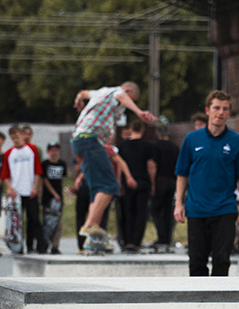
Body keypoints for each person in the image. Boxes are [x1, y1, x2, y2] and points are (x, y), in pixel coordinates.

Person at [174, 90, 239, 276]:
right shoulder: (192, 139)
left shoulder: (237, 141)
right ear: (208, 110)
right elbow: (182, 173)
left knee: (222, 260)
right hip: (196, 209)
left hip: (225, 209)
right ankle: (198, 302)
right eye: (216, 108)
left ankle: (219, 301)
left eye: (225, 109)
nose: (220, 112)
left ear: (229, 113)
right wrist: (179, 203)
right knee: (196, 261)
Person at [71, 81, 157, 241]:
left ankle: (92, 238)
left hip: (80, 141)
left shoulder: (99, 92)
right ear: (128, 90)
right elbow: (121, 96)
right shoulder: (116, 92)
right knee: (110, 186)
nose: (125, 106)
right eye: (133, 99)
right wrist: (138, 111)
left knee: (97, 190)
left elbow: (83, 93)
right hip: (90, 140)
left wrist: (78, 101)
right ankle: (90, 225)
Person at [0, 124, 46, 254]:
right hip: (16, 193)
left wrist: (35, 187)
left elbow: (37, 170)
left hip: (29, 190)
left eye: (17, 137)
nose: (16, 140)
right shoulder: (9, 153)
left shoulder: (31, 149)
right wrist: (10, 189)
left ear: (22, 136)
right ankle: (19, 246)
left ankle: (38, 246)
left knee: (34, 219)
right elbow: (5, 175)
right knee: (17, 222)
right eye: (13, 138)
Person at [117, 121, 155, 252]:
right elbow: (151, 165)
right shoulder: (148, 145)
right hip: (142, 181)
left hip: (127, 183)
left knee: (127, 212)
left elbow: (120, 166)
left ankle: (126, 240)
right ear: (143, 130)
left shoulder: (123, 145)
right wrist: (153, 183)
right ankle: (135, 241)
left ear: (131, 128)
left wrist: (120, 181)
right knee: (141, 213)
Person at [150, 120, 180, 250]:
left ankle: (161, 237)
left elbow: (153, 166)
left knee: (155, 210)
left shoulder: (154, 146)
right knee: (168, 210)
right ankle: (168, 238)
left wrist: (152, 183)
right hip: (172, 181)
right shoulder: (175, 147)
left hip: (159, 180)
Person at [41, 141, 67, 254]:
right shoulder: (45, 164)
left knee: (58, 223)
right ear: (48, 152)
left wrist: (61, 195)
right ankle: (44, 243)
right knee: (47, 222)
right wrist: (54, 194)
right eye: (51, 150)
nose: (54, 152)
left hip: (58, 199)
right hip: (47, 198)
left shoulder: (62, 163)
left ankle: (55, 246)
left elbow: (63, 180)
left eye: (56, 150)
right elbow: (45, 180)